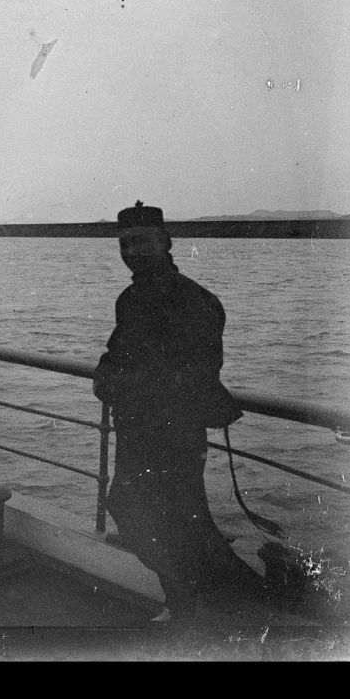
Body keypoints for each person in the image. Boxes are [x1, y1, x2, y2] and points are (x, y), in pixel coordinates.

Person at [92, 201, 249, 623]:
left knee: (162, 517)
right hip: (137, 431)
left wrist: (122, 382)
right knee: (140, 512)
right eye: (124, 244)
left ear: (166, 242)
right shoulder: (129, 299)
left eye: (141, 241)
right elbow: (116, 356)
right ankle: (186, 599)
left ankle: (184, 606)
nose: (131, 251)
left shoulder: (194, 300)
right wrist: (108, 376)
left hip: (175, 435)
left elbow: (197, 374)